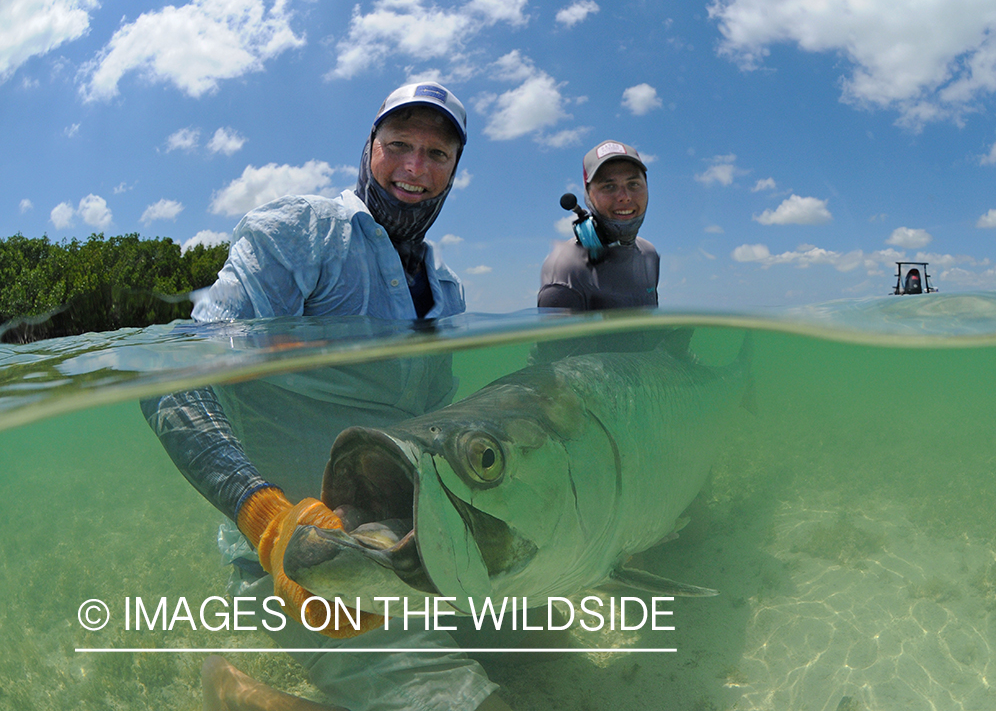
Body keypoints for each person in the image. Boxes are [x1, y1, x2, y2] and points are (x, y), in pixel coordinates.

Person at [141, 82, 511, 711]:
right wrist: (265, 517)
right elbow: (165, 372)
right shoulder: (297, 235)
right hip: (303, 558)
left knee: (546, 641)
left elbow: (427, 429)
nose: (415, 168)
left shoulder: (446, 292)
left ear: (454, 170)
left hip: (405, 542)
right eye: (398, 145)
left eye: (436, 153)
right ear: (368, 149)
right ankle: (237, 695)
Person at [538, 139, 658, 311]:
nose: (625, 196)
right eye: (609, 186)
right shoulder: (566, 269)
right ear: (587, 196)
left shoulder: (648, 253)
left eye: (633, 184)